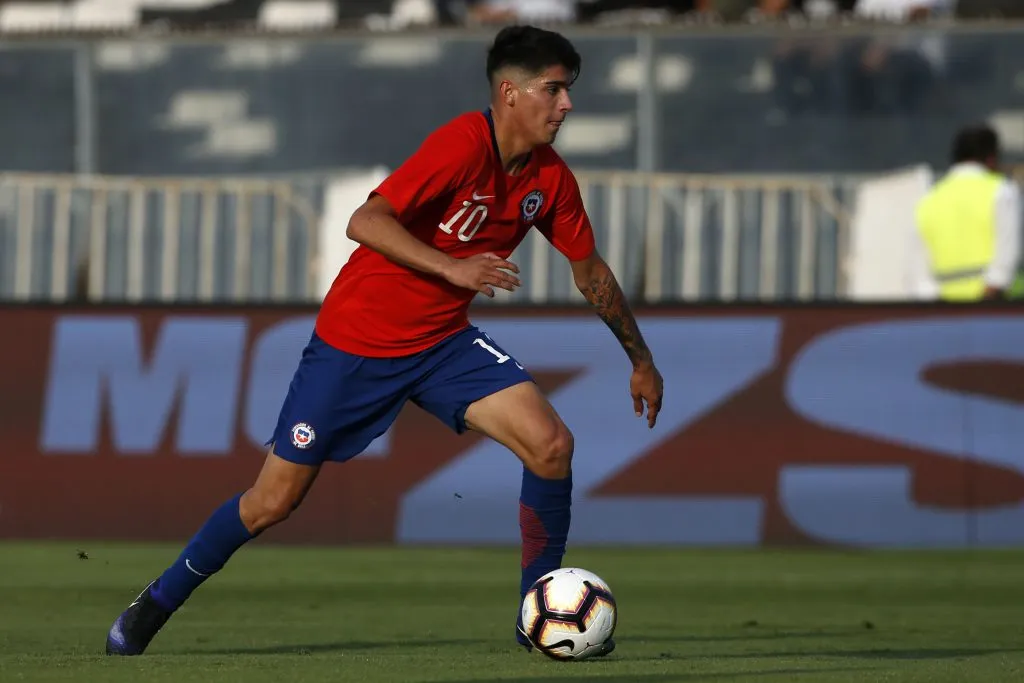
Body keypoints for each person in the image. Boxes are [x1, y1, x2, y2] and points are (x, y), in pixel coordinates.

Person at [105, 24, 664, 657]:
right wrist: (453, 267)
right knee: (270, 503)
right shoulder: (459, 145)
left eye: (569, 91)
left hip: (442, 345)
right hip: (356, 344)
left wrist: (640, 360)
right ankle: (155, 602)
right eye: (554, 89)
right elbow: (363, 220)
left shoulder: (551, 179)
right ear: (509, 93)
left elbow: (588, 270)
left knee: (551, 445)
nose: (566, 105)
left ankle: (536, 615)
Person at [909, 124, 1024, 301]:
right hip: (992, 309)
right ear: (991, 159)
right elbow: (1005, 259)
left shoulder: (929, 199)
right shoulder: (1002, 192)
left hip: (941, 312)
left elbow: (919, 271)